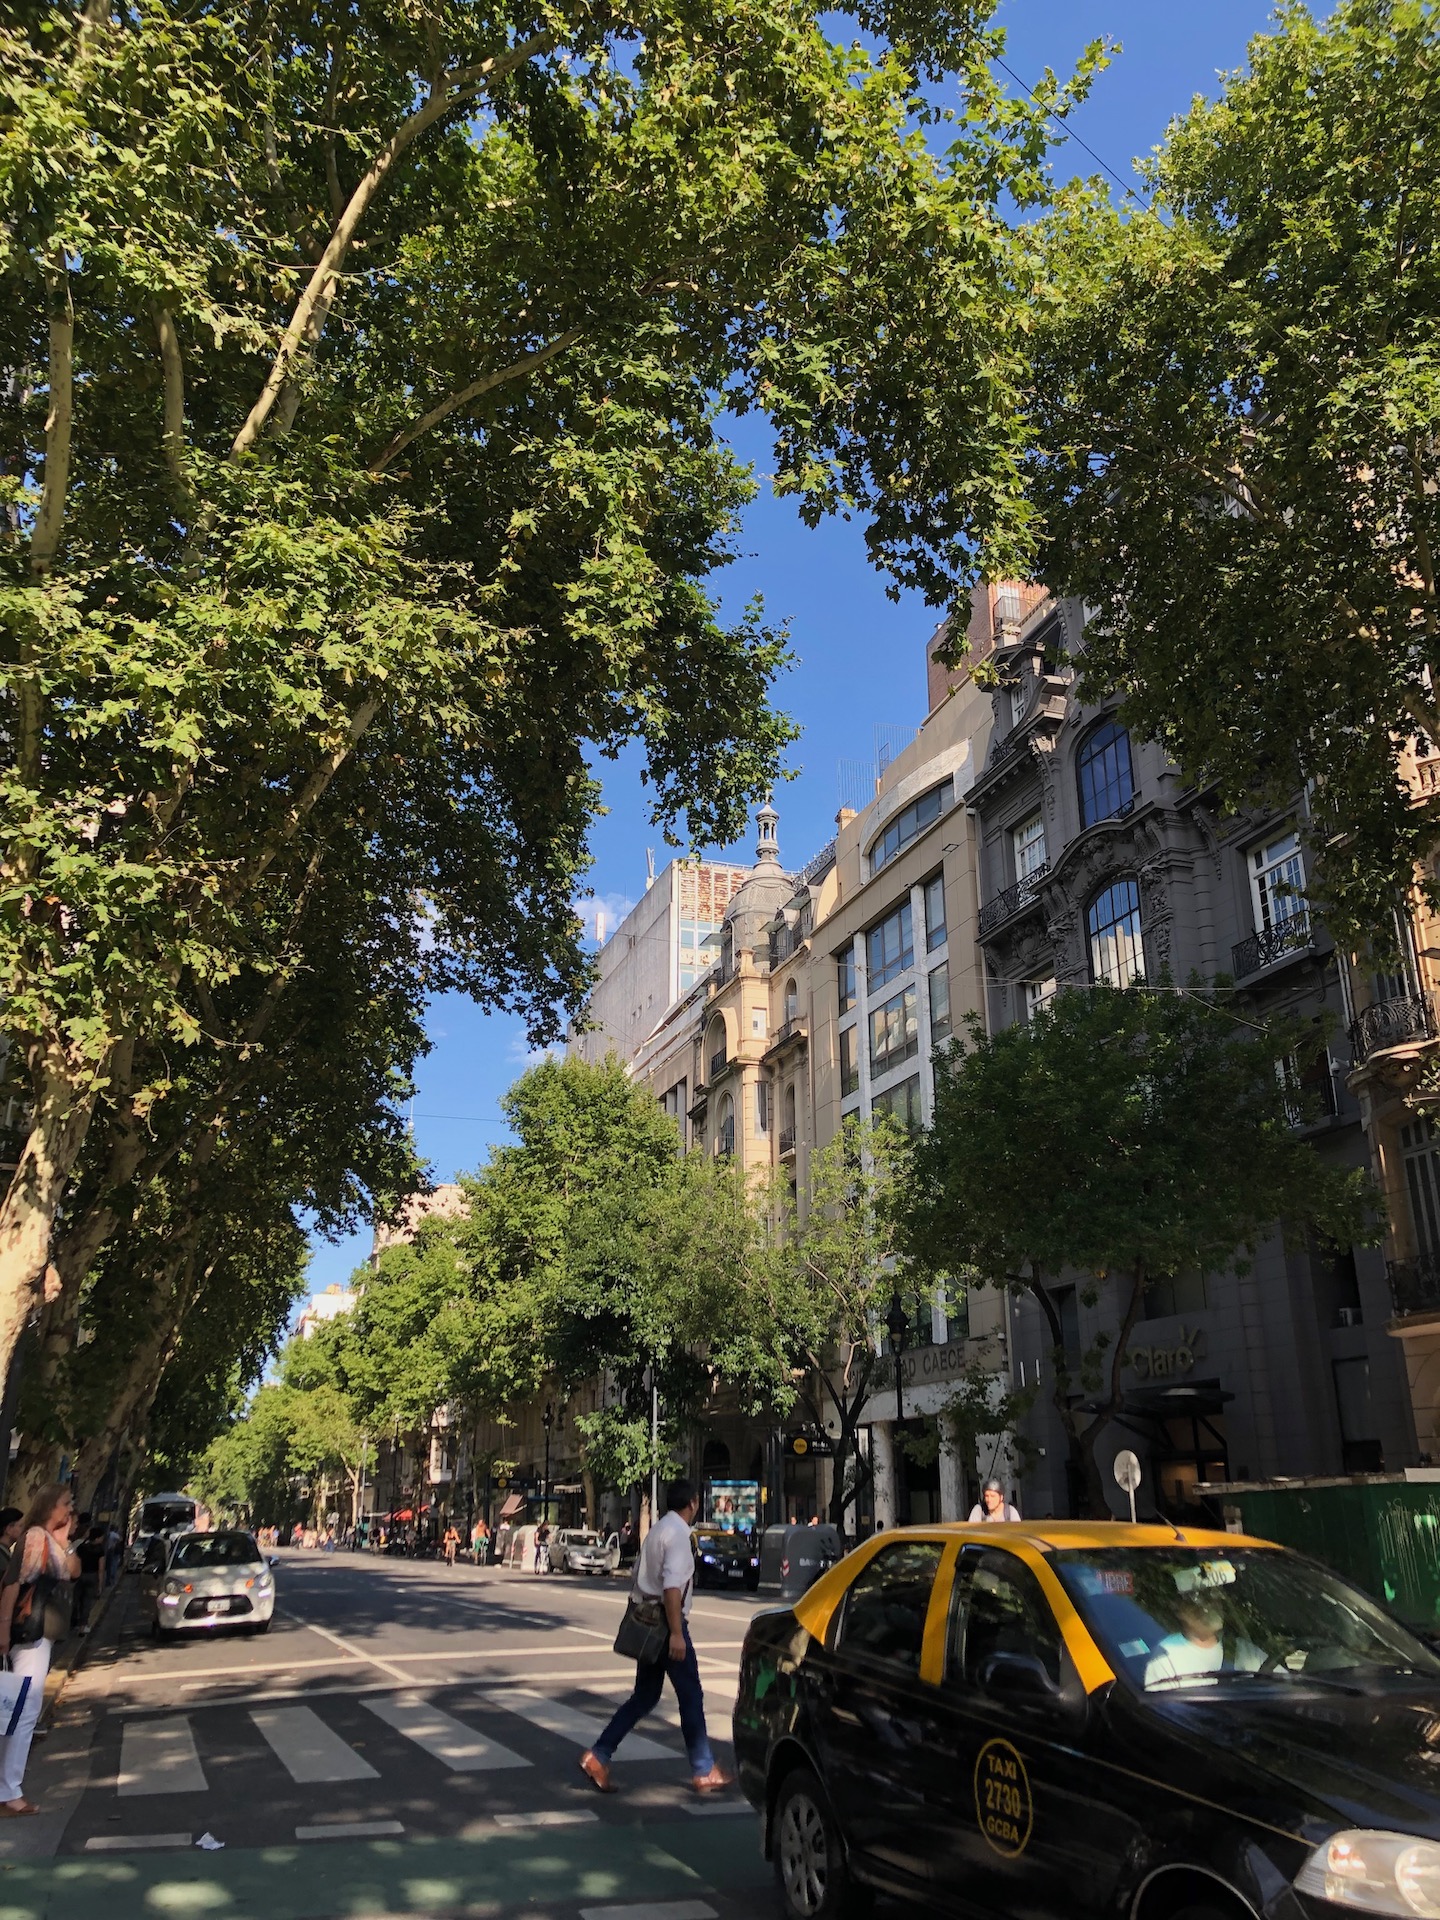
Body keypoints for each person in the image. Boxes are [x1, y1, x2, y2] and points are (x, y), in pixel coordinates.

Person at [579, 1479, 732, 1796]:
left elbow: (639, 1576)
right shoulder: (678, 1535)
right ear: (692, 1503)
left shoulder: (657, 1531)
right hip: (666, 1624)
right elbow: (672, 1588)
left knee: (645, 1696)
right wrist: (676, 1633)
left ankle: (599, 1754)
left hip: (648, 1621)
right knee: (690, 1695)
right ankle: (703, 1769)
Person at [0, 1483, 80, 1815]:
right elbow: (13, 1584)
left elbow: (74, 1571)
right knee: (23, 1710)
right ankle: (8, 1792)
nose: (70, 1509)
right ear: (50, 1506)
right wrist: (3, 1629)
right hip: (29, 1634)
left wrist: (64, 1540)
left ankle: (8, 1788)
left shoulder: (49, 1539)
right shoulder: (34, 1537)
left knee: (19, 1710)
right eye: (66, 1503)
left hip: (40, 1636)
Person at [1143, 1593, 1264, 1690]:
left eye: (1214, 1597)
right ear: (1181, 1611)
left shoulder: (1243, 1650)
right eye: (1199, 1600)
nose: (1209, 1606)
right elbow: (1163, 1708)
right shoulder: (1166, 1656)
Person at [73, 1523, 106, 1634]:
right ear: (97, 1538)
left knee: (76, 1599)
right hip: (92, 1576)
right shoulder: (100, 1550)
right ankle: (83, 1626)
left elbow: (76, 1561)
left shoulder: (82, 1547)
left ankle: (74, 1622)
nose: (102, 1539)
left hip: (80, 1575)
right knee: (87, 1602)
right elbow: (101, 1568)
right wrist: (100, 1585)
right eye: (101, 1537)